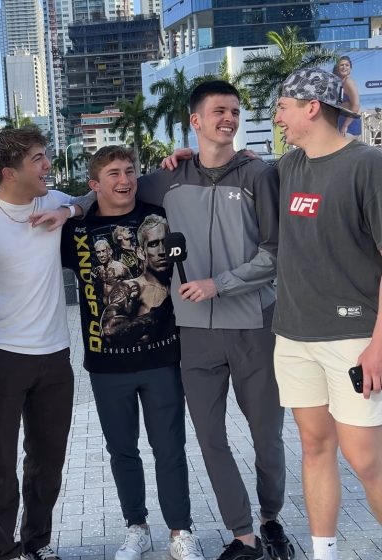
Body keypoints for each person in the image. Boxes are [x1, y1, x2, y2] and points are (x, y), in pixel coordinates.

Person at [137, 81, 294, 560]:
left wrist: (218, 284)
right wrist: (71, 206)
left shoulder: (259, 174)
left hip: (254, 326)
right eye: (219, 111)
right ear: (196, 121)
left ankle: (270, 518)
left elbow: (275, 253)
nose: (229, 118)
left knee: (267, 438)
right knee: (211, 439)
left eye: (235, 111)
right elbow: (111, 191)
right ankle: (242, 535)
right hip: (195, 335)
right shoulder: (169, 178)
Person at [0, 126, 87, 560]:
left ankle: (36, 543)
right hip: (0, 358)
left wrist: (68, 211)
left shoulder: (53, 199)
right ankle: (3, 551)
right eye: (38, 159)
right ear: (9, 173)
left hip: (55, 358)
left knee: (47, 462)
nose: (48, 165)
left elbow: (94, 197)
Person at [60, 146, 202, 560]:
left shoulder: (160, 216)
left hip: (161, 357)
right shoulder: (75, 230)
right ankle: (136, 527)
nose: (125, 180)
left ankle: (180, 531)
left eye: (130, 171)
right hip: (106, 363)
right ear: (94, 184)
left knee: (169, 448)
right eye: (114, 174)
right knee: (122, 451)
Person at [273, 67, 382, 560]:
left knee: (366, 460)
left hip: (353, 338)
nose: (278, 117)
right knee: (315, 446)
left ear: (311, 107)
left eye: (283, 107)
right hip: (295, 336)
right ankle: (325, 553)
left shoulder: (367, 165)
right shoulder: (289, 166)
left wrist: (377, 345)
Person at [333, 56, 361, 138]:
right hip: (343, 122)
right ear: (338, 68)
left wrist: (345, 125)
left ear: (350, 68)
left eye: (347, 65)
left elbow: (356, 105)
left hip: (349, 125)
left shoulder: (349, 82)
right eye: (341, 65)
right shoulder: (342, 82)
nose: (344, 67)